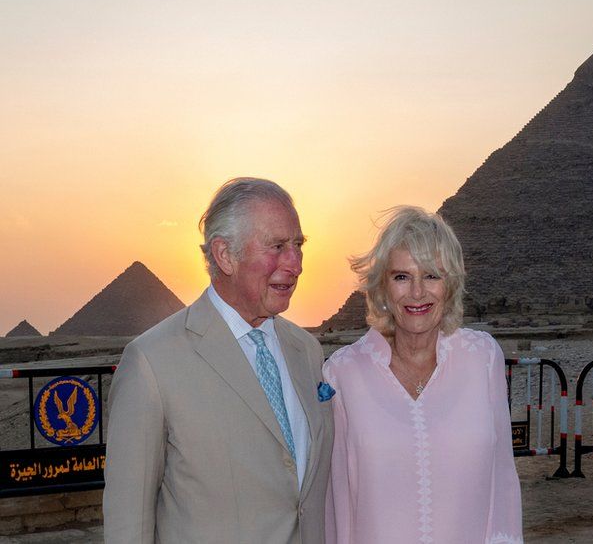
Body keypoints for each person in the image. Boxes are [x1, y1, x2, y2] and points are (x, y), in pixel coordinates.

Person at [103, 178, 333, 544]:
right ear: (225, 255)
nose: (295, 264)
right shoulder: (151, 363)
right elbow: (128, 523)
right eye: (277, 246)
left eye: (298, 246)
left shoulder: (306, 351)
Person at [323, 206, 523, 544]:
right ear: (382, 288)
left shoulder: (483, 359)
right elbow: (337, 505)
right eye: (401, 276)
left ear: (451, 284)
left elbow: (502, 483)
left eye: (431, 275)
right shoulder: (342, 374)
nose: (417, 292)